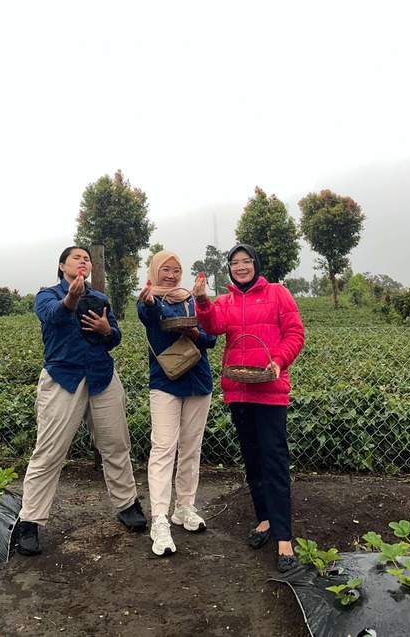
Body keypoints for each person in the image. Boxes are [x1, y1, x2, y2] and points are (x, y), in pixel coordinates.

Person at [16, 245, 146, 555]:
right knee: (49, 451)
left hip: (102, 377)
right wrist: (71, 299)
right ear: (62, 267)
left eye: (86, 258)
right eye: (77, 257)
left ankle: (127, 504)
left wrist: (106, 330)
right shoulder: (46, 295)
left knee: (116, 444)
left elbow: (115, 336)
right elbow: (53, 317)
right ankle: (30, 520)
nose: (83, 260)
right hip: (64, 379)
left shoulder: (100, 299)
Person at [192, 243, 305, 573]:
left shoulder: (278, 294)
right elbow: (212, 327)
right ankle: (264, 520)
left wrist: (279, 361)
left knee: (274, 460)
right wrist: (201, 300)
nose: (240, 267)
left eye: (246, 261)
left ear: (256, 264)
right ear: (229, 269)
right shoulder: (226, 301)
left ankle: (284, 537)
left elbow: (295, 333)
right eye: (234, 262)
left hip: (269, 390)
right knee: (253, 460)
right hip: (239, 390)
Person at [137, 250, 216, 557]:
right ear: (155, 271)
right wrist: (152, 306)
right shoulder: (148, 299)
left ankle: (184, 507)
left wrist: (196, 329)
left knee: (191, 447)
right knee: (163, 449)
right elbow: (150, 318)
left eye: (175, 270)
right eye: (165, 269)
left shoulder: (192, 300)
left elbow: (210, 339)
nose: (170, 275)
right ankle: (159, 518)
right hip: (165, 382)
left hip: (198, 379)